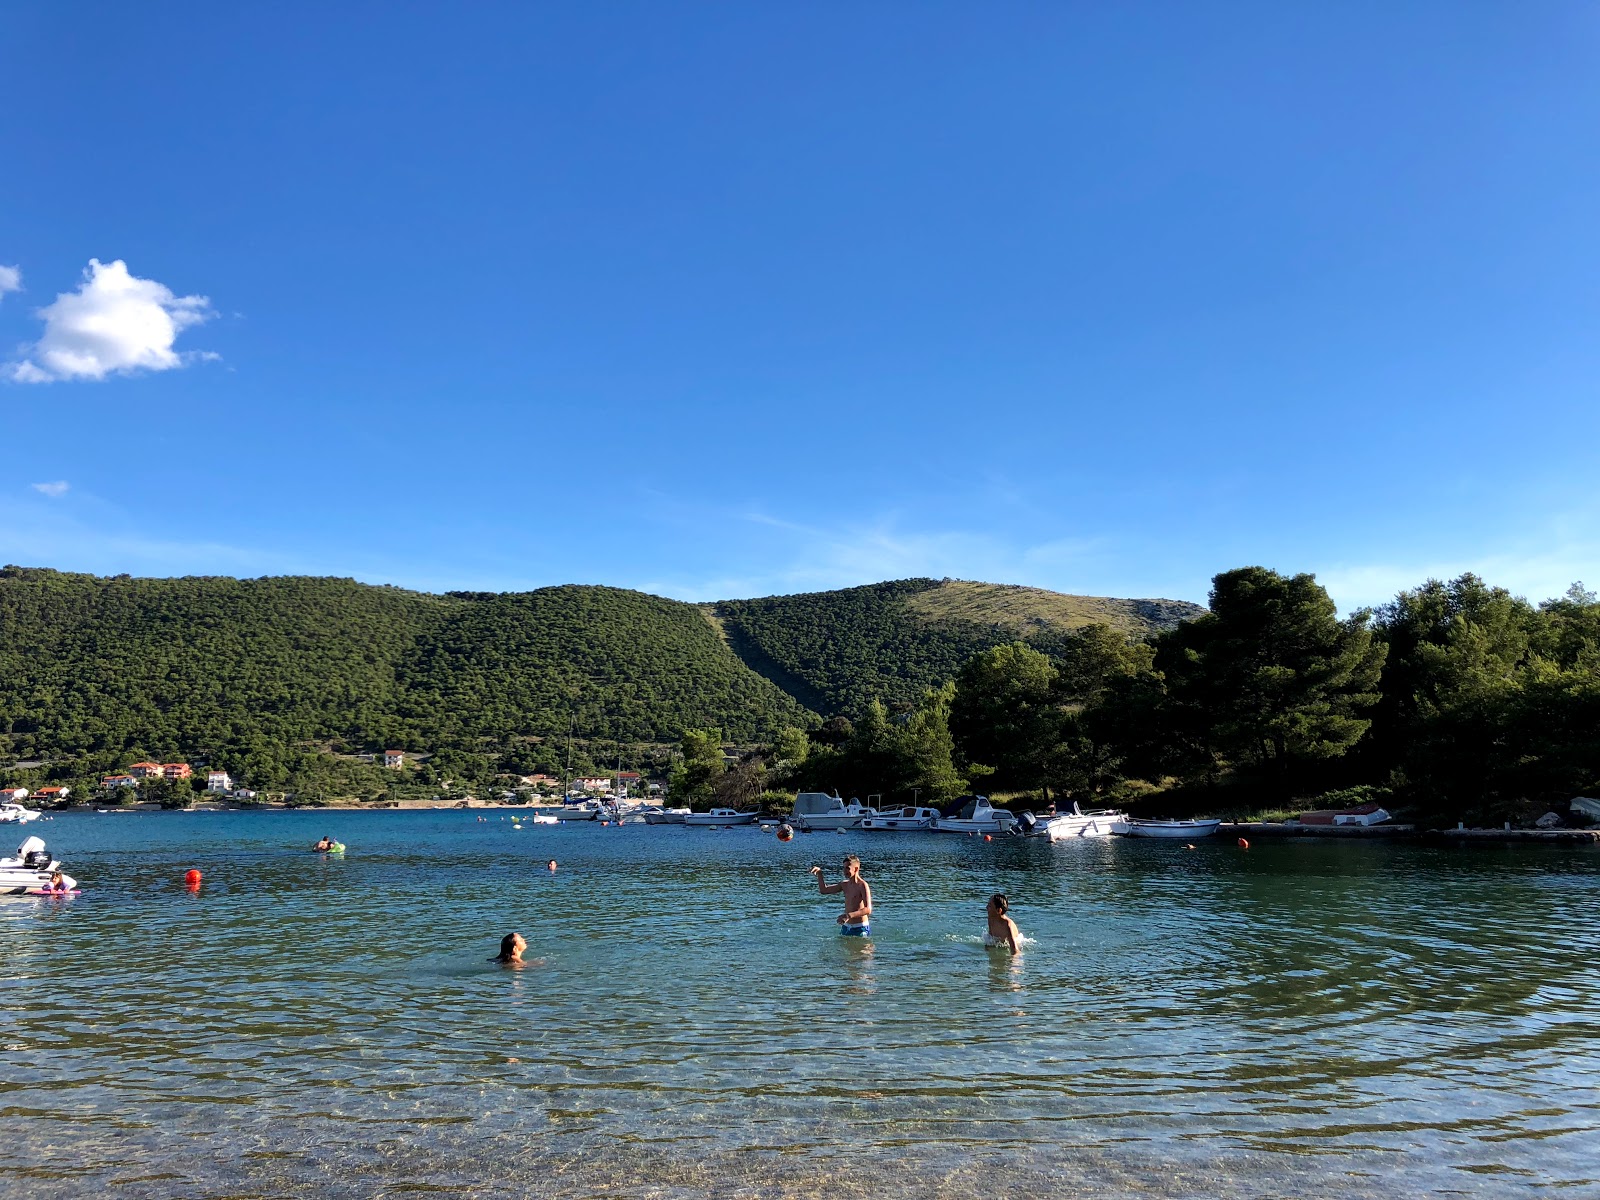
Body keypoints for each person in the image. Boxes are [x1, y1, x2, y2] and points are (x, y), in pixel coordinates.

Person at [811, 854, 872, 936]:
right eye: (843, 868)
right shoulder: (844, 884)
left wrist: (849, 915)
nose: (844, 871)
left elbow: (868, 909)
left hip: (860, 927)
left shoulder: (862, 885)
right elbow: (823, 890)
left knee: (862, 948)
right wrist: (819, 874)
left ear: (856, 869)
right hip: (846, 926)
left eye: (847, 868)